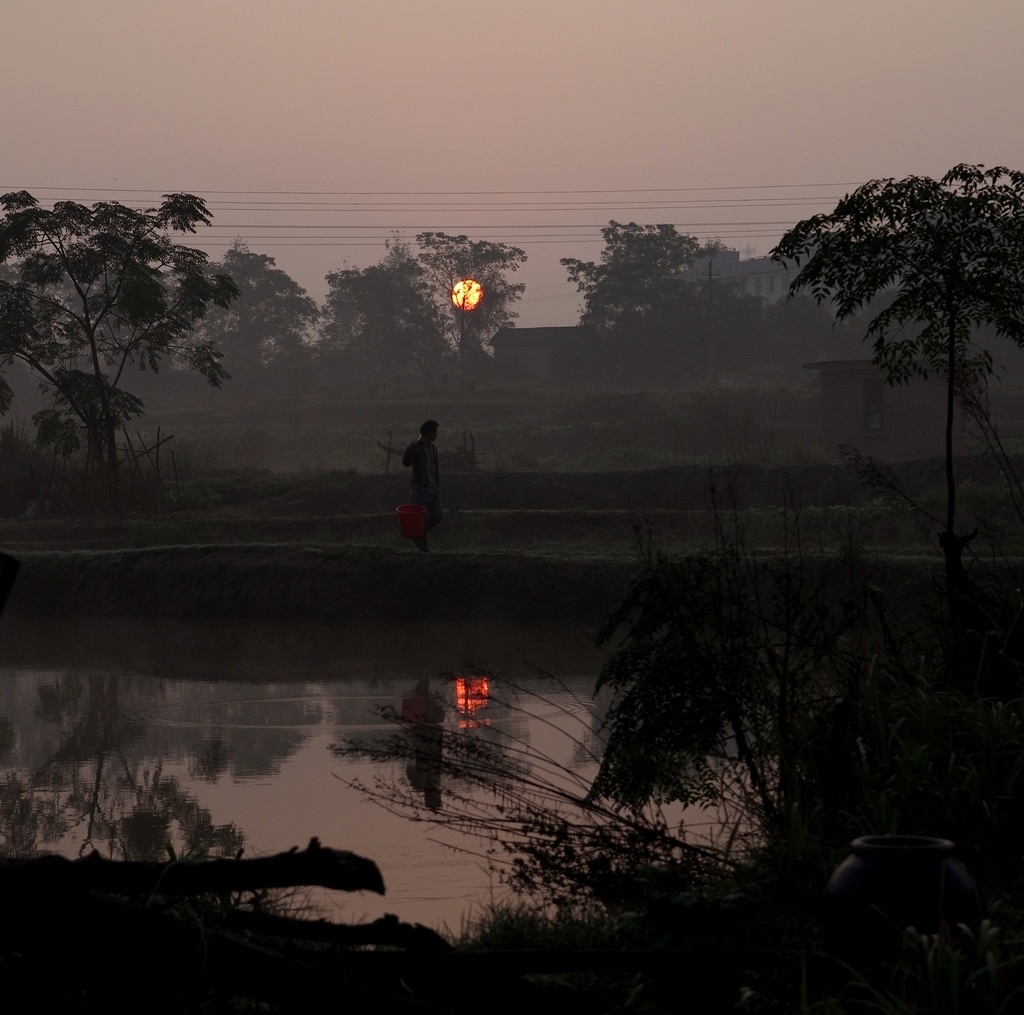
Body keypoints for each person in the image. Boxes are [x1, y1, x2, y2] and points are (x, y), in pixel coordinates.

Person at [402, 419, 442, 552]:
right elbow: (406, 462)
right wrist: (411, 448)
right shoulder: (415, 447)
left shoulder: (433, 449)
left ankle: (418, 535)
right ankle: (423, 547)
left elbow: (435, 469)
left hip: (432, 488)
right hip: (420, 488)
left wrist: (437, 485)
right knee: (423, 519)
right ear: (428, 432)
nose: (436, 435)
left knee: (437, 516)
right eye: (435, 432)